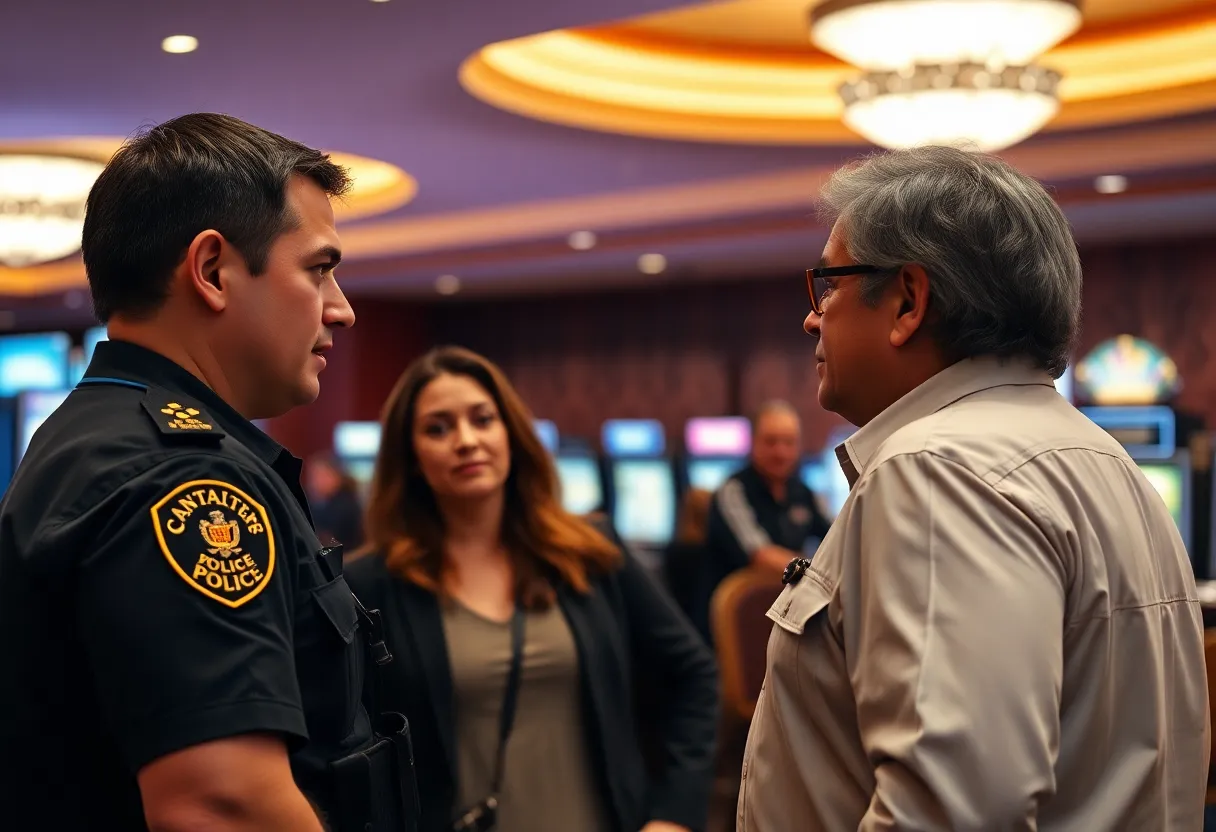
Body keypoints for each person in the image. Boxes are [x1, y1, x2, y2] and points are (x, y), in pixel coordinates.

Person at [738, 146, 1210, 830]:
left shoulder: (938, 471)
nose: (814, 317)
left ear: (907, 299)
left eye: (829, 284)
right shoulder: (1106, 461)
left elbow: (951, 812)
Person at [0, 113, 413, 831]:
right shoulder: (183, 479)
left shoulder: (99, 432)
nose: (340, 310)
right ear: (213, 270)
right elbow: (223, 806)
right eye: (319, 270)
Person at [345, 346, 719, 832]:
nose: (466, 440)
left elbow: (694, 674)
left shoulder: (589, 552)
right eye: (438, 428)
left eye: (483, 420)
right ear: (411, 457)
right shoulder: (369, 586)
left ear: (511, 434)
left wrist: (675, 815)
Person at [702, 401, 831, 629]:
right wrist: (819, 575)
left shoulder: (804, 492)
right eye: (771, 442)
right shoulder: (733, 491)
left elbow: (836, 536)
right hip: (737, 623)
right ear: (753, 443)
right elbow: (760, 555)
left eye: (788, 442)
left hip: (788, 612)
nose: (780, 452)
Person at [307, 451, 366, 549]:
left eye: (323, 475)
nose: (317, 481)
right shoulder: (308, 502)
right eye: (314, 476)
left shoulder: (348, 507)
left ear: (337, 477)